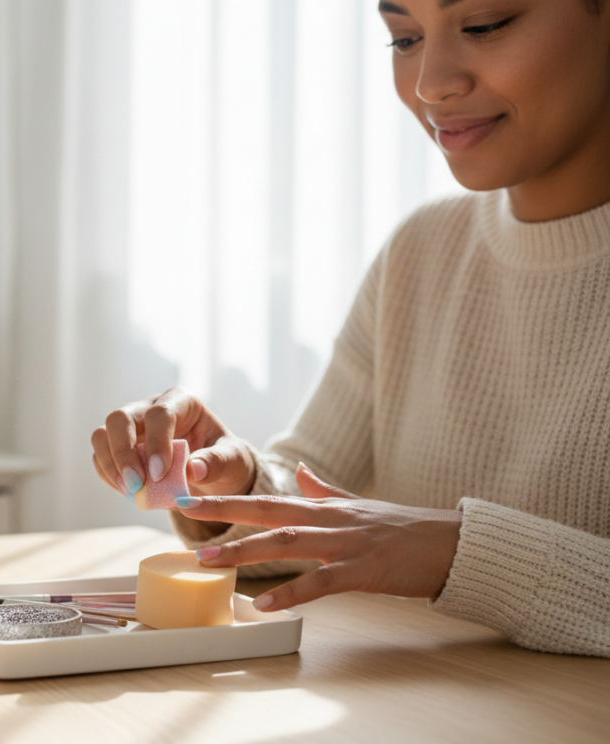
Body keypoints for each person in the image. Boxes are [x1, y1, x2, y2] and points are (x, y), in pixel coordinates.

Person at [91, 0, 610, 657]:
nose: (430, 83)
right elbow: (322, 506)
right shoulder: (422, 249)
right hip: (405, 736)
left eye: (483, 25)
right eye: (404, 38)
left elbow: (396, 542)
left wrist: (455, 550)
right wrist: (238, 483)